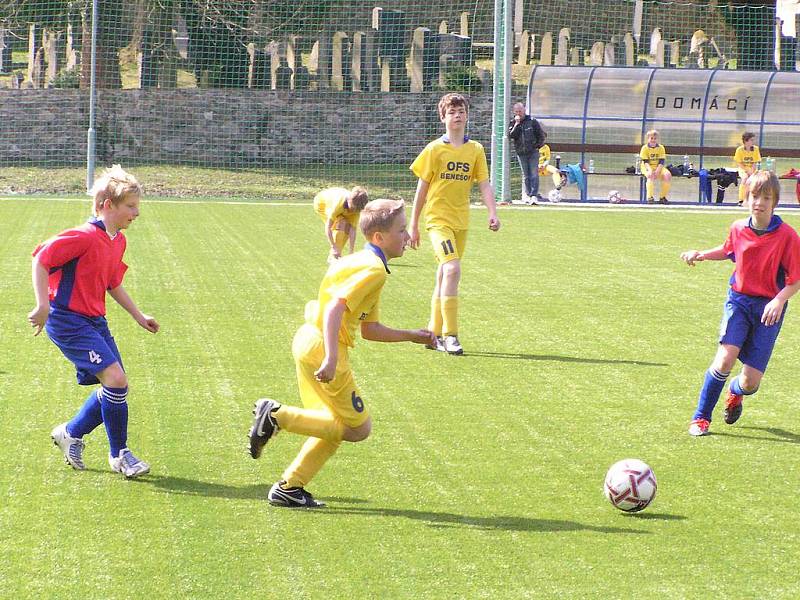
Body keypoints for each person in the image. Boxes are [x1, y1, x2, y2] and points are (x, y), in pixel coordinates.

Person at [248, 199, 435, 508]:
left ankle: (289, 487)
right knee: (358, 428)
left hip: (308, 339)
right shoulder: (373, 270)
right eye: (401, 230)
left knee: (329, 425)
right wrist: (332, 358)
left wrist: (411, 336)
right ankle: (277, 416)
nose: (407, 236)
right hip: (324, 346)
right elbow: (336, 307)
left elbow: (370, 329)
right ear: (379, 237)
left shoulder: (363, 261)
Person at [28, 165, 159, 477]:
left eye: (137, 207)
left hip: (94, 321)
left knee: (115, 386)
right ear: (107, 205)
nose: (136, 213)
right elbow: (41, 259)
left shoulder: (117, 241)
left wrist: (139, 316)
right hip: (67, 321)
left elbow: (113, 283)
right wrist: (42, 305)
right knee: (116, 380)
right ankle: (120, 456)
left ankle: (70, 433)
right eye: (131, 206)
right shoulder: (83, 237)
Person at [680, 171, 800, 436]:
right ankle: (701, 417)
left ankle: (736, 393)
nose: (759, 202)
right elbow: (727, 250)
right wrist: (700, 254)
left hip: (769, 309)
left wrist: (779, 301)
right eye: (755, 196)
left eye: (766, 197)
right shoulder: (738, 228)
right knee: (724, 359)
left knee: (750, 382)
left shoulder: (788, 237)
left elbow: (796, 279)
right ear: (747, 198)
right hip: (739, 302)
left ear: (775, 202)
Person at [409, 93, 501, 355]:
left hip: (461, 222)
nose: (457, 115)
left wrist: (492, 212)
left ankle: (432, 332)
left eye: (461, 111)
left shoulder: (476, 150)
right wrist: (413, 225)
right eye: (452, 112)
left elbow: (483, 183)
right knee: (452, 269)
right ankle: (451, 335)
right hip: (437, 220)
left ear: (467, 116)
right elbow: (422, 188)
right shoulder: (434, 149)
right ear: (443, 118)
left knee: (443, 275)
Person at [313, 186, 369, 262]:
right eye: (353, 208)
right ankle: (333, 256)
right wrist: (333, 246)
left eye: (357, 210)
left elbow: (352, 230)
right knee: (341, 223)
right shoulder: (338, 204)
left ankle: (336, 254)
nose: (354, 211)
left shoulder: (356, 208)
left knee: (347, 226)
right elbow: (328, 227)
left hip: (342, 207)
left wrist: (351, 252)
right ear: (349, 200)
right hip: (321, 204)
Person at [507, 102, 545, 205]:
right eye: (517, 111)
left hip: (533, 152)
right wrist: (516, 124)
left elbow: (541, 135)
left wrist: (537, 146)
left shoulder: (532, 121)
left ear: (524, 110)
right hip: (521, 152)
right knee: (526, 175)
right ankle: (527, 195)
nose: (519, 113)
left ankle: (534, 195)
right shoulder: (513, 123)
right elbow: (511, 135)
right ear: (514, 112)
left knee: (534, 173)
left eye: (520, 111)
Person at [639, 129, 671, 204]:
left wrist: (657, 171)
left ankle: (662, 197)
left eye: (655, 138)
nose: (653, 140)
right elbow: (645, 161)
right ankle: (650, 197)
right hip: (647, 167)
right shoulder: (644, 148)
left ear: (657, 139)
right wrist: (650, 170)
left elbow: (661, 161)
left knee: (667, 175)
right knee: (650, 176)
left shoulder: (661, 148)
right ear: (648, 139)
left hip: (658, 167)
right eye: (651, 138)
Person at [733, 131, 762, 206]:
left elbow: (755, 162)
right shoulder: (740, 150)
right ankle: (741, 200)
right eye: (751, 140)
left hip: (752, 169)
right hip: (743, 168)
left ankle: (754, 199)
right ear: (746, 141)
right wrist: (746, 170)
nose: (753, 142)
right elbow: (739, 163)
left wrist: (752, 171)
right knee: (745, 178)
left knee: (755, 180)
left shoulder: (755, 149)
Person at [537, 133, 567, 202]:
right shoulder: (533, 146)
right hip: (535, 167)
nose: (542, 140)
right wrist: (537, 165)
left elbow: (547, 159)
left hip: (544, 166)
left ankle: (558, 186)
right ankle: (533, 193)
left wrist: (544, 165)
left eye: (543, 138)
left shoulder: (546, 147)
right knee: (531, 176)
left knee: (556, 171)